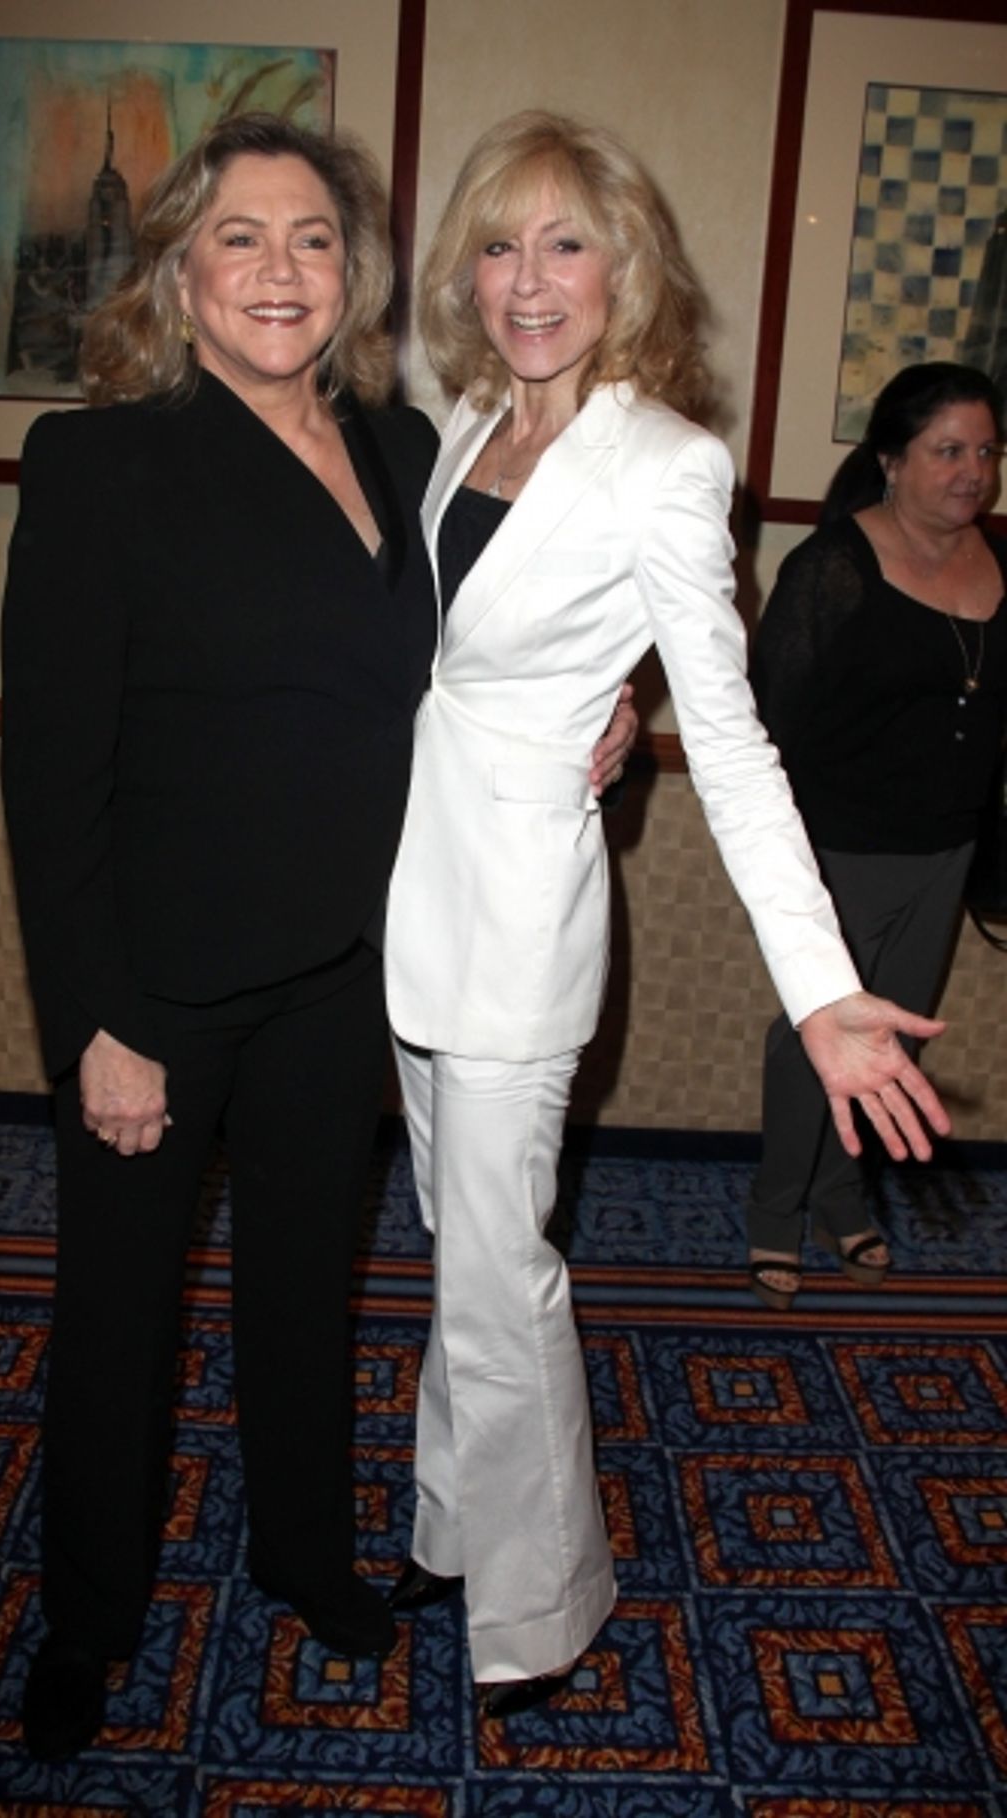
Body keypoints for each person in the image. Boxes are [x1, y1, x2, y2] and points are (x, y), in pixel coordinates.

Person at [379, 110, 953, 1717]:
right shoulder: (464, 424)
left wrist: (824, 985)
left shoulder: (667, 466)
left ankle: (543, 1607)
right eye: (498, 244)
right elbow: (447, 666)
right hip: (407, 911)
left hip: (515, 933)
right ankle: (447, 1523)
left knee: (507, 1280)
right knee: (459, 1251)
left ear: (624, 270)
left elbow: (741, 734)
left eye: (565, 243)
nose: (528, 278)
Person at [0, 112, 444, 1763]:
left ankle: (308, 1554)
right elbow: (52, 775)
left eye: (312, 236)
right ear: (183, 268)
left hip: (344, 973)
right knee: (117, 1321)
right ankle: (89, 1615)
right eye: (241, 236)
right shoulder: (101, 462)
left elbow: (481, 662)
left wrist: (603, 715)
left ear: (355, 270)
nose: (279, 268)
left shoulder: (405, 449)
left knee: (304, 1294)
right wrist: (96, 1017)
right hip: (161, 991)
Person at [747, 362, 1005, 1310]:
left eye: (986, 451)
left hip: (948, 847)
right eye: (948, 451)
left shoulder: (1000, 561)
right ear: (892, 461)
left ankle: (839, 1196)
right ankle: (776, 1213)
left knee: (897, 1035)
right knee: (813, 1037)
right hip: (838, 847)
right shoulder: (834, 569)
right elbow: (769, 719)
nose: (972, 471)